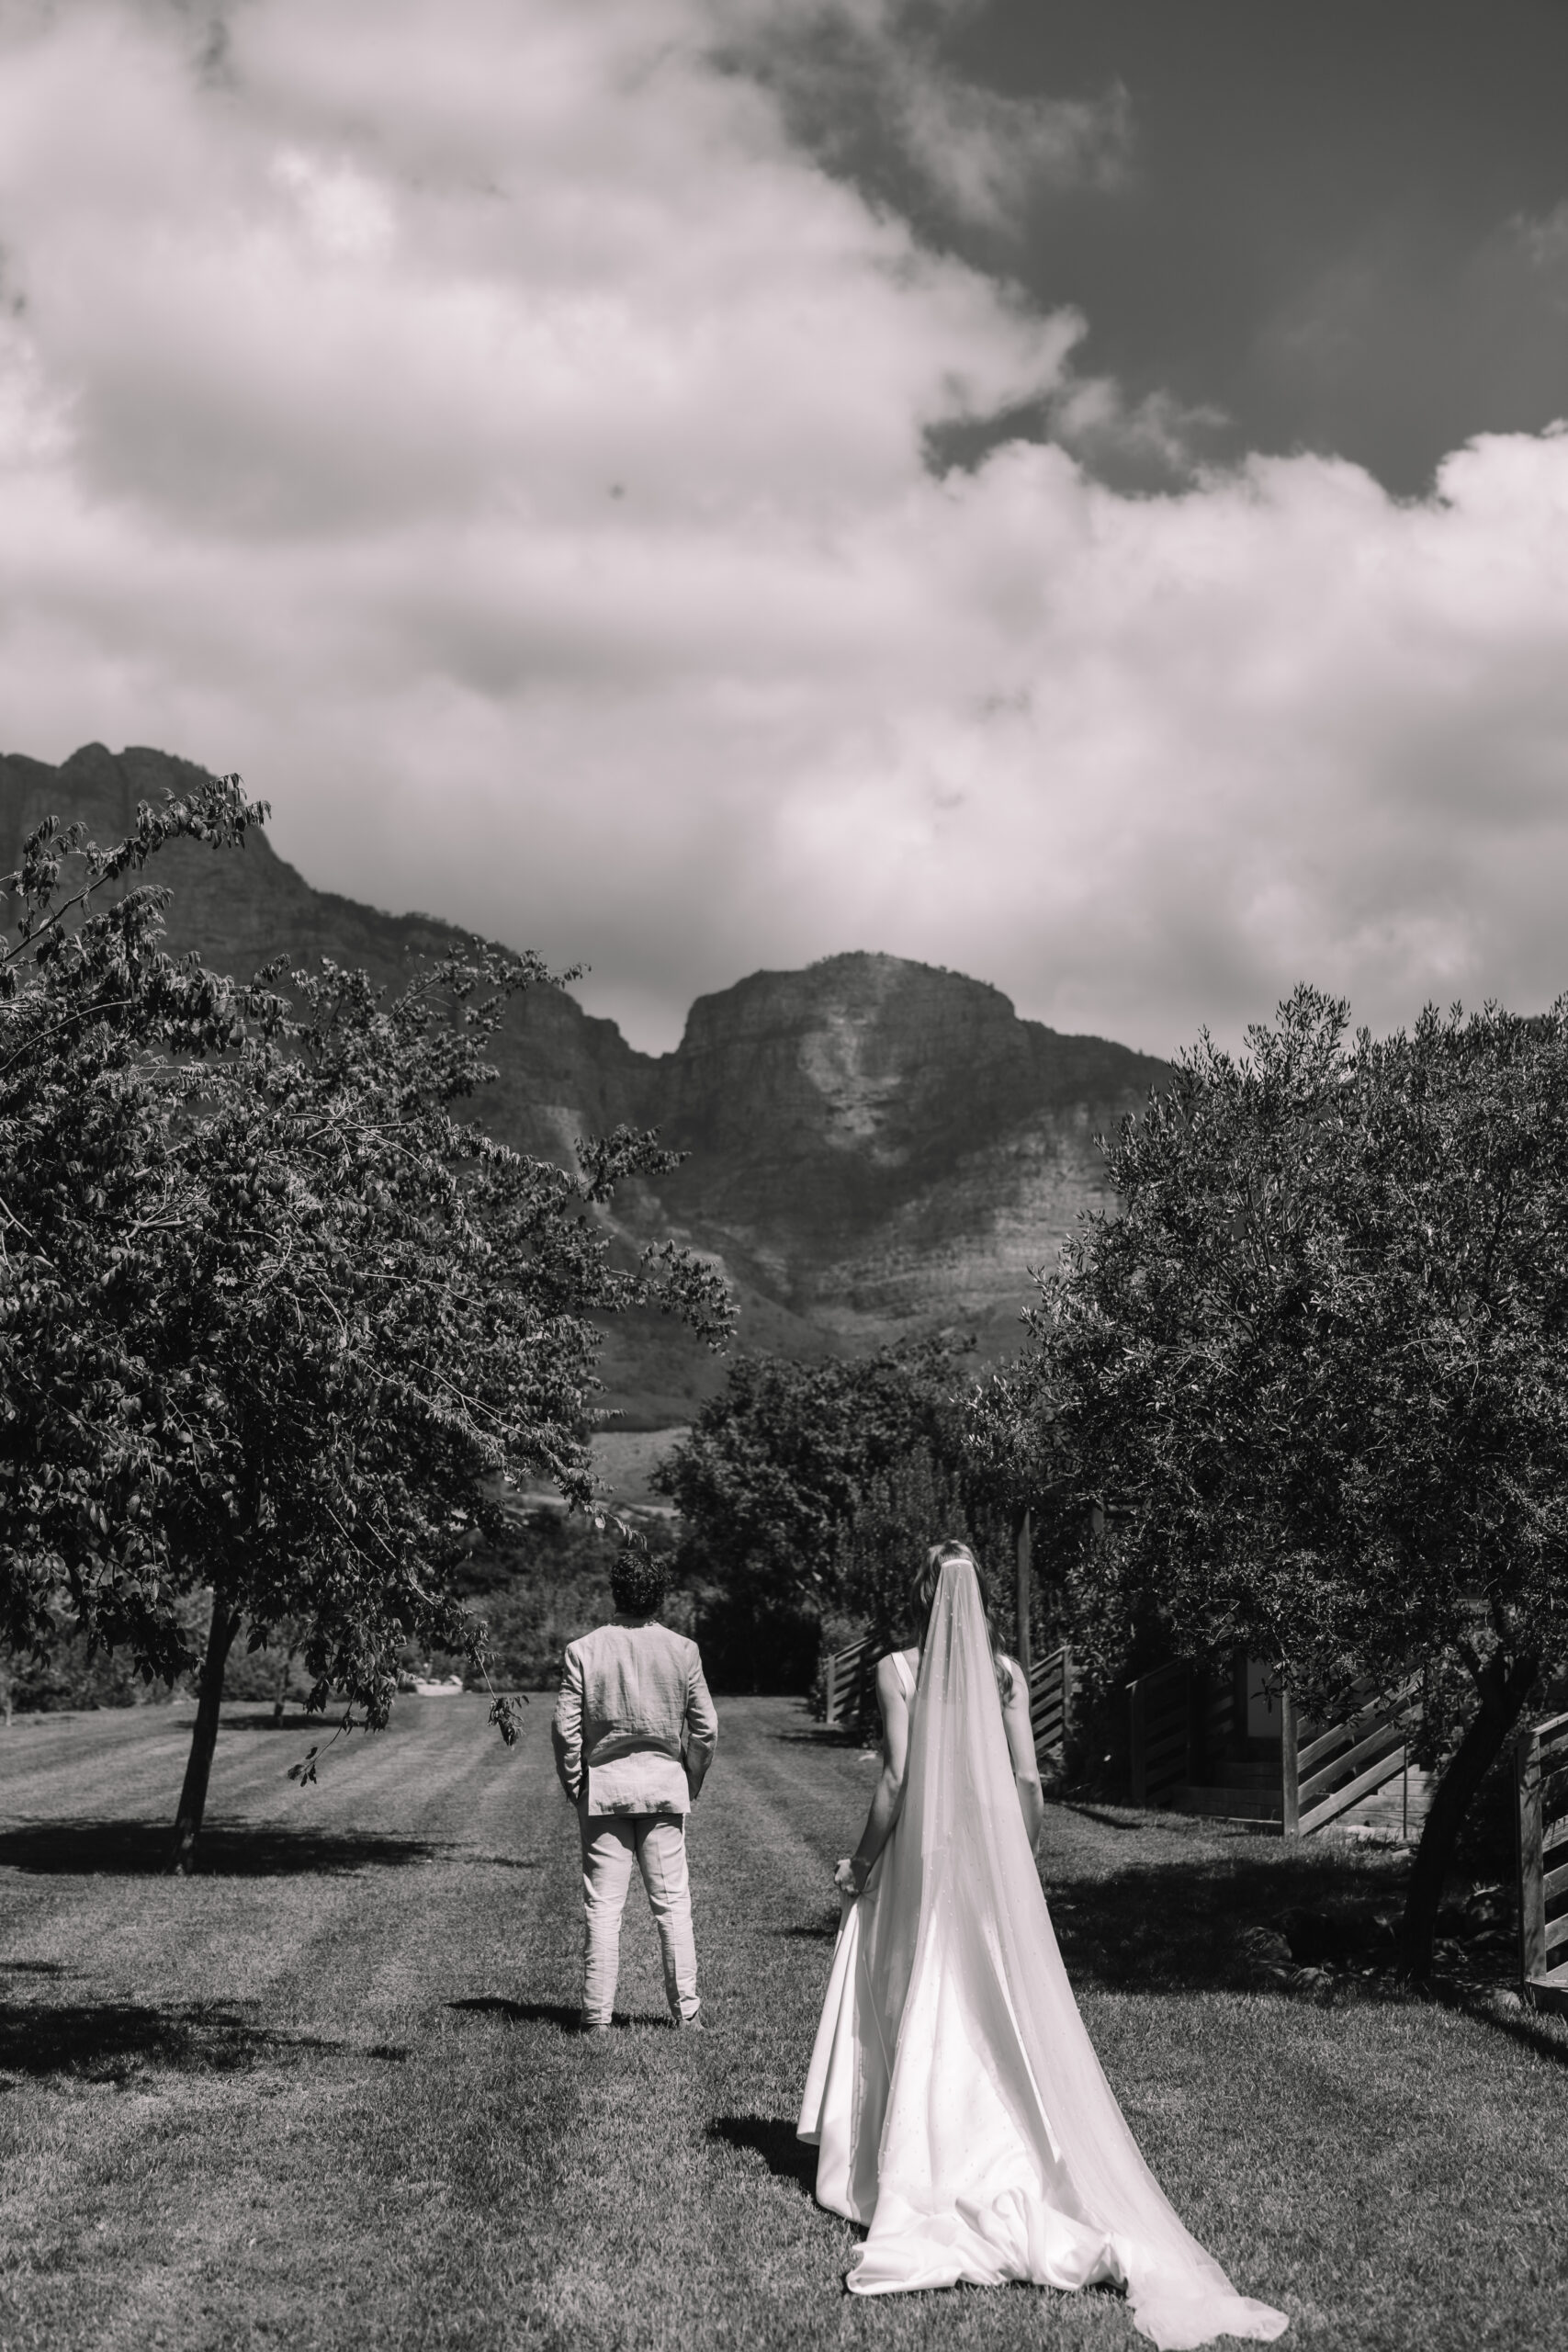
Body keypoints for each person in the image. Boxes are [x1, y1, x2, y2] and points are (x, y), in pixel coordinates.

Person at [798, 1540, 1288, 2350]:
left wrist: (859, 1864)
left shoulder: (898, 1670)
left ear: (925, 1594)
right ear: (983, 1595)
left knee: (922, 1994)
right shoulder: (1006, 1677)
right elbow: (1029, 1785)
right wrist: (1017, 1868)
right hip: (993, 1862)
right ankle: (1011, 2152)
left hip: (925, 1865)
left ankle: (915, 2160)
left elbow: (895, 1781)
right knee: (995, 2007)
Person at [551, 1544, 718, 2031]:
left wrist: (576, 1781)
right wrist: (689, 1778)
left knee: (603, 1908)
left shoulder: (584, 1649)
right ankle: (686, 2015)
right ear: (660, 1595)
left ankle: (596, 2018)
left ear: (615, 1591)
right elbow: (705, 1729)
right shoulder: (683, 1649)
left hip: (604, 1790)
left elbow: (566, 1728)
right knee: (672, 1905)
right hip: (664, 1786)